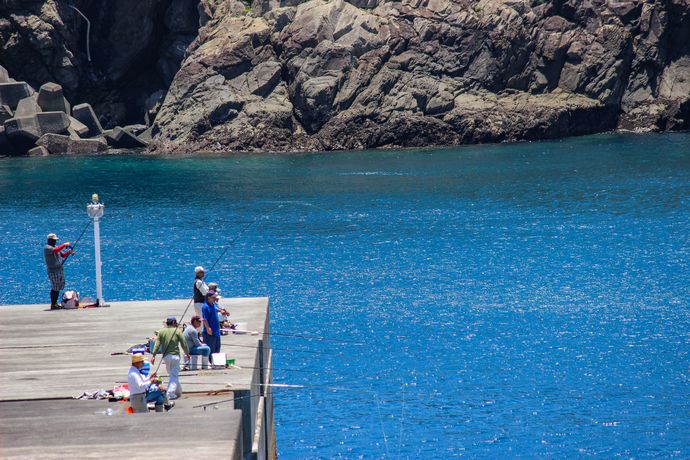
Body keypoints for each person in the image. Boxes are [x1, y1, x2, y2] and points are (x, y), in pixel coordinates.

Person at [151, 316, 190, 400]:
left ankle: (178, 392)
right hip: (175, 356)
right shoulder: (177, 331)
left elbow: (157, 344)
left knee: (172, 375)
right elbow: (184, 343)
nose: (176, 324)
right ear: (173, 323)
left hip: (166, 357)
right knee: (174, 376)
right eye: (175, 323)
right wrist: (187, 353)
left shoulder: (161, 332)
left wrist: (153, 355)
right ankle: (170, 394)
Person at [43, 233, 73, 310]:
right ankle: (53, 304)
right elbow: (56, 250)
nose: (55, 242)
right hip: (53, 271)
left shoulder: (55, 247)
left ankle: (55, 303)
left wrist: (68, 252)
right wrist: (64, 244)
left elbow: (62, 255)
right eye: (54, 240)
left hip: (59, 269)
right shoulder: (47, 248)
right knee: (55, 287)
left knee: (60, 286)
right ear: (49, 240)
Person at [202, 291, 222, 365]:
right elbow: (204, 319)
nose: (215, 299)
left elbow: (215, 309)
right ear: (209, 297)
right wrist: (208, 328)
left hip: (216, 331)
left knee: (217, 347)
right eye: (213, 297)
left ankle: (217, 363)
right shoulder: (205, 306)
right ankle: (210, 363)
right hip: (210, 332)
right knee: (211, 349)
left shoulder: (213, 304)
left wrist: (221, 311)